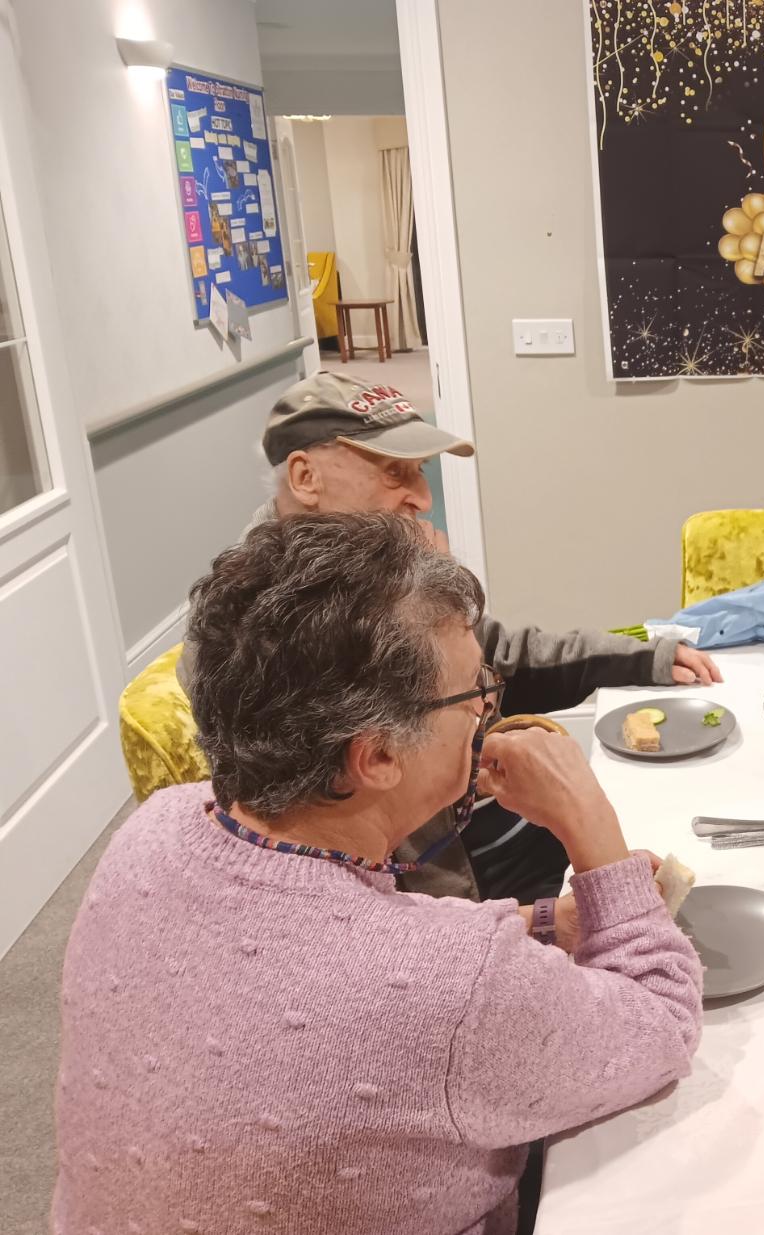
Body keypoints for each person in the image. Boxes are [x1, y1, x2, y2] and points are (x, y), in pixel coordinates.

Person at [54, 513, 703, 1235]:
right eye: (474, 694)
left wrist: (545, 921)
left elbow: (311, 954)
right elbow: (661, 1025)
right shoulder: (455, 983)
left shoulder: (156, 827)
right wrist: (591, 825)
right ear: (378, 756)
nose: (488, 708)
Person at [184, 369, 719, 903]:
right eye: (396, 473)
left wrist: (644, 658)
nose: (421, 497)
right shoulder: (254, 627)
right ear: (305, 477)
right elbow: (339, 863)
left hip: (490, 824)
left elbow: (508, 654)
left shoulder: (366, 571)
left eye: (420, 472)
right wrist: (424, 616)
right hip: (448, 890)